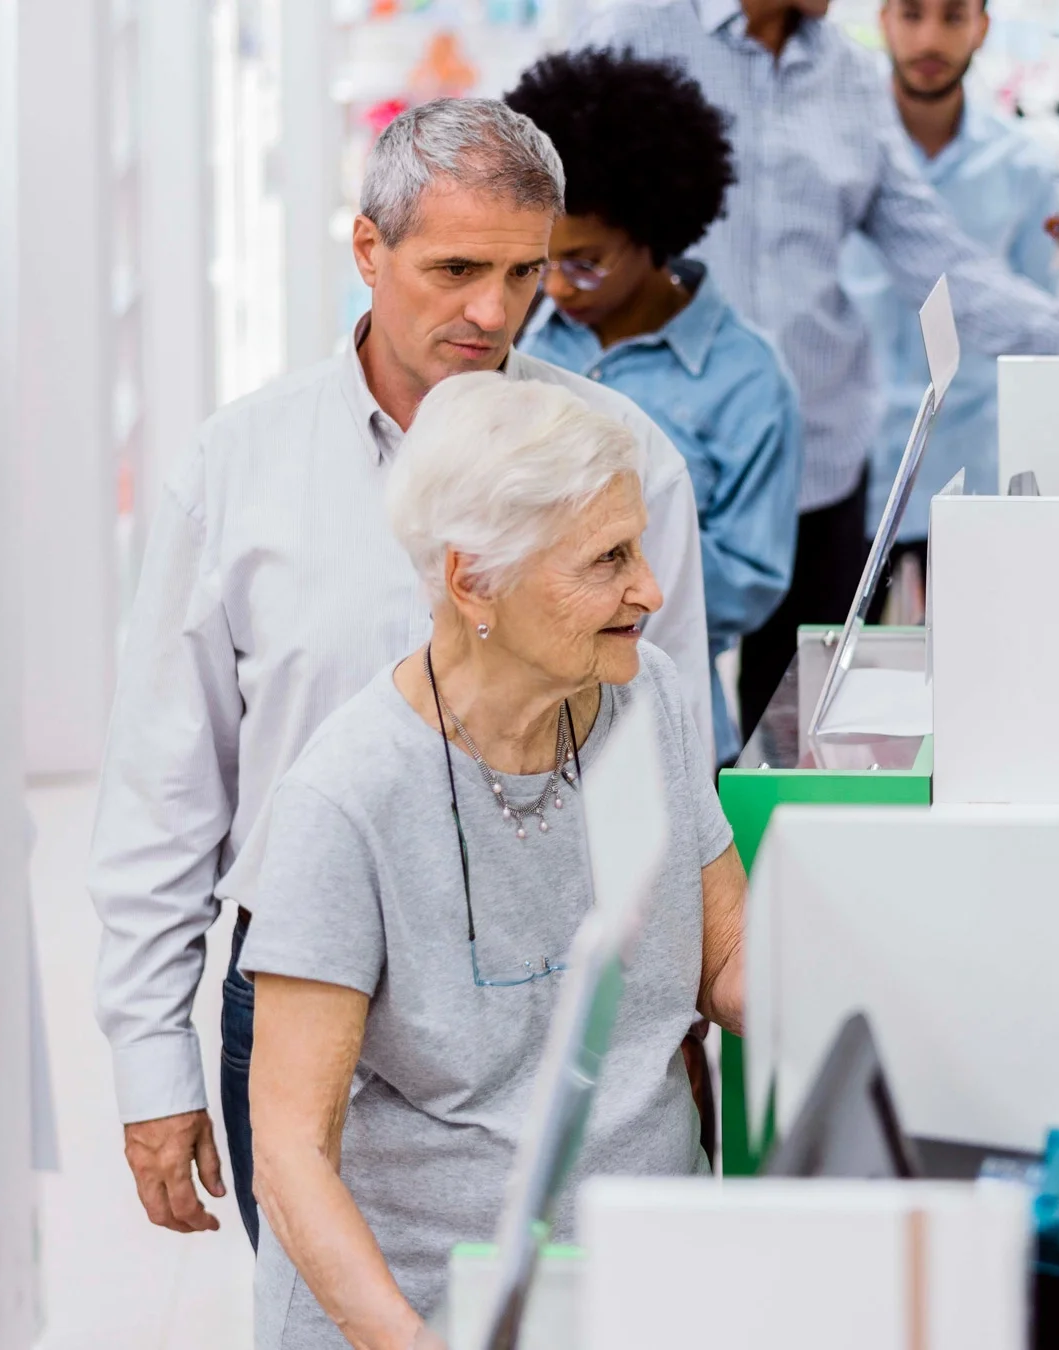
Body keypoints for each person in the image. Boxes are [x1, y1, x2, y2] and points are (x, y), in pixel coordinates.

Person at [88, 98, 712, 1248]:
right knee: (339, 1309)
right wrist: (150, 1057)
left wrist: (678, 1022)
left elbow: (671, 759)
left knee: (582, 1311)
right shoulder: (238, 470)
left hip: (559, 990)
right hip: (302, 988)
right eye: (456, 269)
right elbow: (165, 787)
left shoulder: (626, 462)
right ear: (368, 250)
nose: (494, 313)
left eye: (524, 273)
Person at [242, 373, 746, 1349]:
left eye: (638, 547)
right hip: (434, 1312)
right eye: (607, 560)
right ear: (474, 581)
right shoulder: (347, 799)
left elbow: (726, 962)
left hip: (642, 1284)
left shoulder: (647, 698)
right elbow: (291, 1152)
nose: (650, 590)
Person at [573, 0, 1059, 732]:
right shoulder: (635, 32)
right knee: (648, 703)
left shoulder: (849, 74)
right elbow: (556, 219)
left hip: (821, 453)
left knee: (802, 726)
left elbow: (929, 252)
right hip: (671, 449)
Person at [507, 49, 803, 767]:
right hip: (515, 729)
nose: (558, 289)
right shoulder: (517, 338)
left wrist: (596, 568)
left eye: (586, 263)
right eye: (542, 263)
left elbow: (750, 583)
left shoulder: (745, 377)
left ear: (655, 232)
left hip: (664, 725)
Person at [843, 0, 1059, 595]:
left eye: (952, 17)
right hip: (852, 467)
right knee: (833, 642)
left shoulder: (1027, 168)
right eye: (912, 15)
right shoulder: (843, 153)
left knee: (979, 641)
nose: (930, 40)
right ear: (884, 20)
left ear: (982, 27)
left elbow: (1043, 335)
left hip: (973, 466)